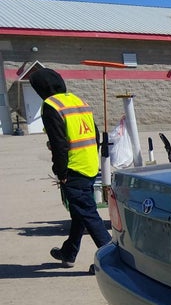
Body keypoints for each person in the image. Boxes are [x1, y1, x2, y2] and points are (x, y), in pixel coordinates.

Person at [30, 68, 111, 268]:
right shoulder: (78, 100)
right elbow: (95, 135)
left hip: (73, 168)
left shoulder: (50, 105)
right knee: (80, 212)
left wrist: (61, 172)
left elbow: (59, 144)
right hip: (90, 165)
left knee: (88, 213)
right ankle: (69, 252)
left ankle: (112, 259)